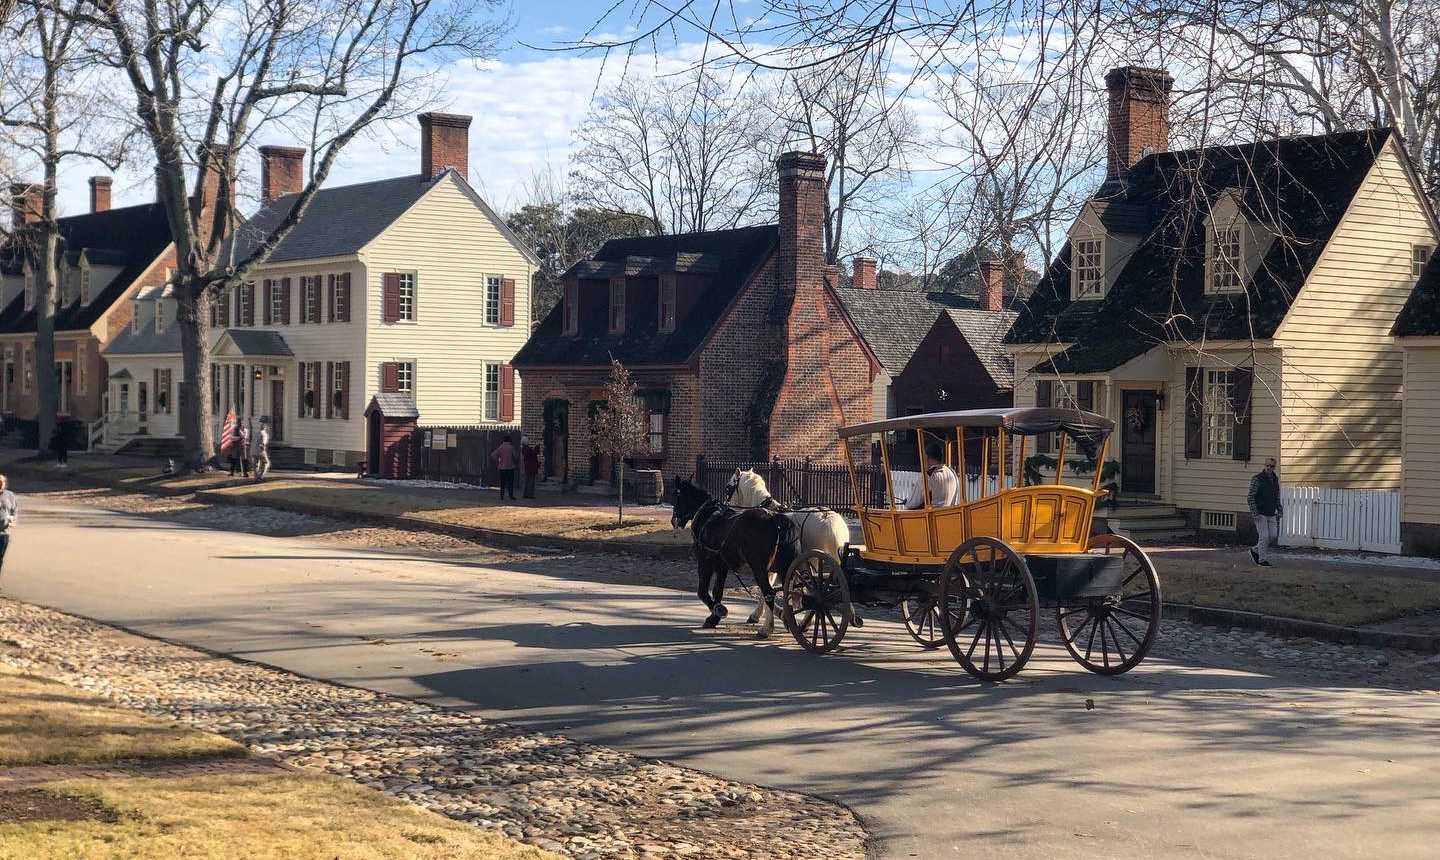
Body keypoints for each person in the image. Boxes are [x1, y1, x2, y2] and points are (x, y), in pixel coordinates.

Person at [905, 438, 960, 509]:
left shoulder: (928, 476)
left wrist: (907, 502)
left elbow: (911, 505)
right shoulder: (952, 473)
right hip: (949, 516)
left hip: (932, 518)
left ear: (926, 457)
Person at [1248, 457, 1283, 566]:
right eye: (1267, 465)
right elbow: (1250, 497)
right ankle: (1262, 560)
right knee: (1264, 536)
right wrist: (1255, 512)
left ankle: (1255, 550)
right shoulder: (1257, 479)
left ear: (1274, 467)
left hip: (1271, 512)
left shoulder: (1275, 480)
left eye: (1271, 466)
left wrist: (1279, 510)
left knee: (1272, 536)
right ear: (1264, 466)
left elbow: (1276, 497)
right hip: (1260, 512)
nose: (1269, 468)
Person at [0, 475, 17, 587]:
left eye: (1, 482)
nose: (0, 485)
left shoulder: (10, 495)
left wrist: (13, 519)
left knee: (0, 559)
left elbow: (14, 510)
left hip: (4, 533)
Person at [491, 435, 518, 501]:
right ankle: (511, 495)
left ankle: (502, 496)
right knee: (510, 482)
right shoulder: (511, 447)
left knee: (502, 483)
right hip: (510, 467)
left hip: (502, 468)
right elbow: (516, 456)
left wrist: (498, 460)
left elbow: (493, 455)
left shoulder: (501, 447)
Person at [251, 416, 271, 482]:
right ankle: (260, 477)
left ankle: (256, 478)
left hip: (252, 450)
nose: (269, 426)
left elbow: (253, 440)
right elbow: (265, 444)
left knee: (255, 465)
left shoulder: (256, 432)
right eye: (268, 425)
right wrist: (265, 452)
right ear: (265, 425)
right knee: (267, 463)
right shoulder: (265, 433)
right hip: (260, 451)